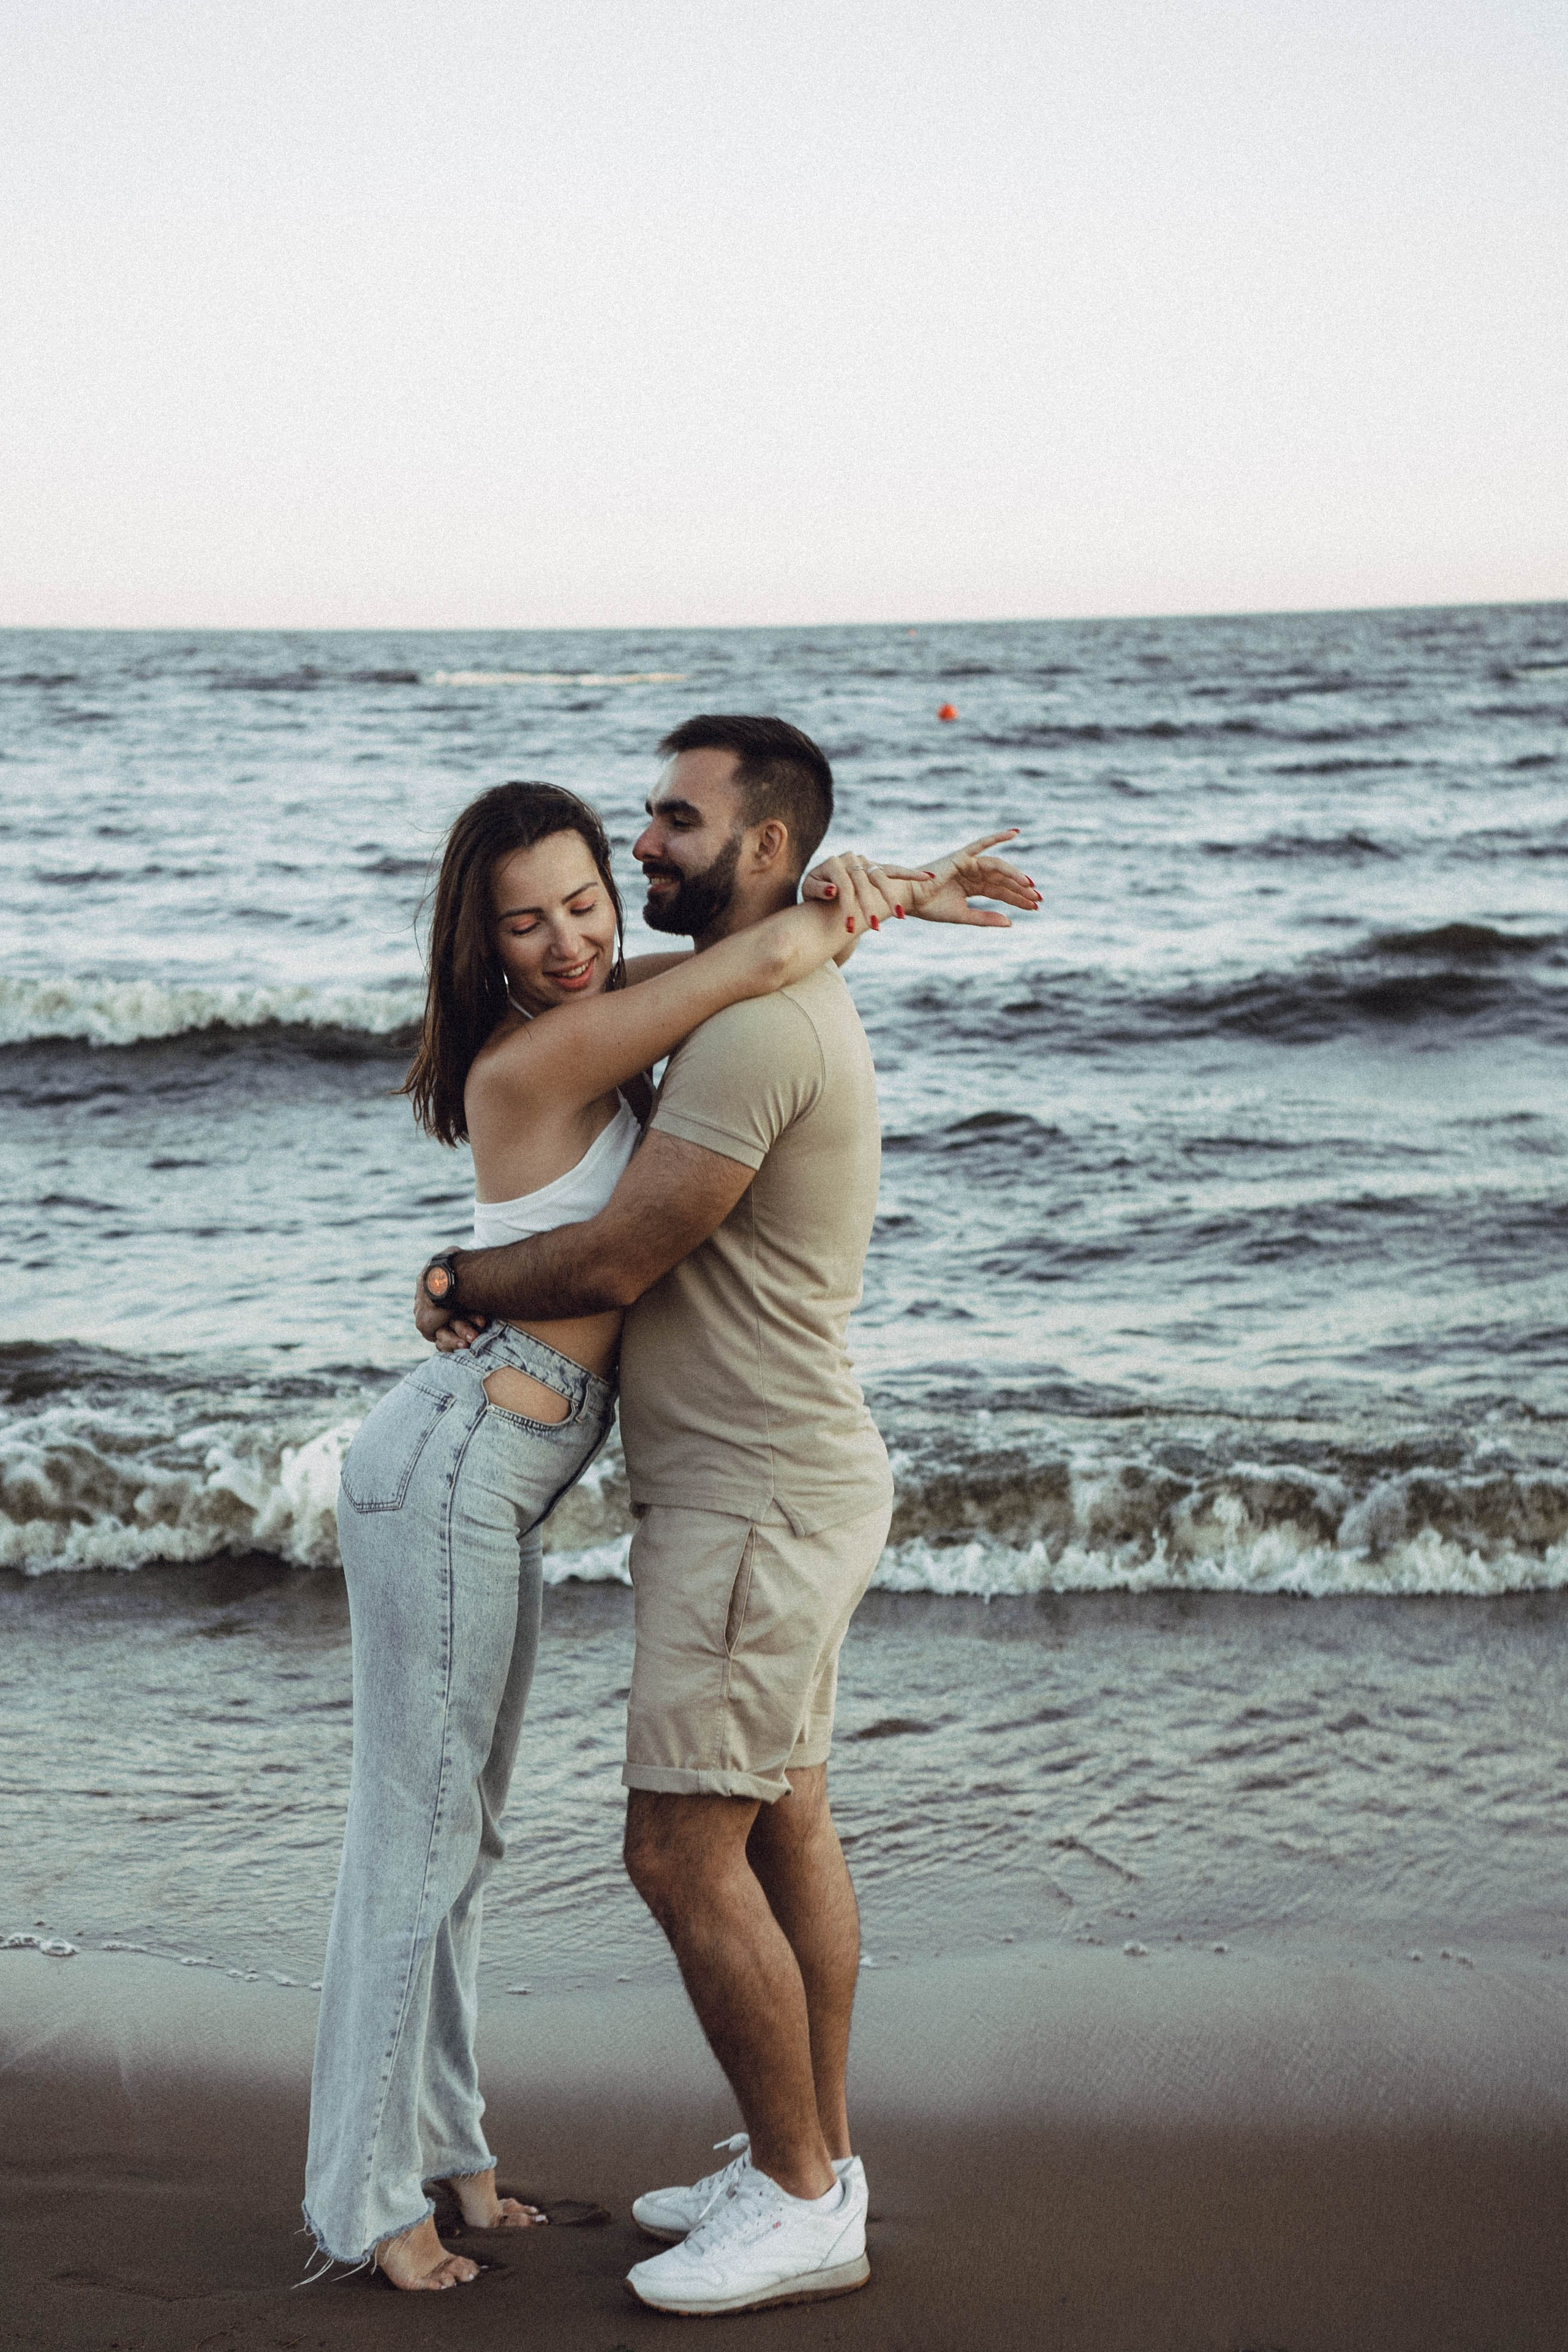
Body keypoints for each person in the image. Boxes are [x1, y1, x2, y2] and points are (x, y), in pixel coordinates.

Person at [415, 715, 1036, 2316]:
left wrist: (459, 1281)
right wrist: (851, 903)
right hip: (781, 1478)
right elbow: (593, 1008)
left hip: (757, 1494)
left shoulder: (760, 1029)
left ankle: (803, 2198)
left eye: (676, 823)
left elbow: (626, 1252)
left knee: (679, 1846)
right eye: (647, 816)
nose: (644, 848)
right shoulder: (752, 989)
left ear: (763, 848)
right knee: (781, 1823)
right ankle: (803, 2154)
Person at [303, 777, 914, 2290]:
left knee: (463, 1839)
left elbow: (732, 960)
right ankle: (368, 2200)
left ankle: (454, 2158)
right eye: (527, 922)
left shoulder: (602, 1006)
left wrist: (860, 897)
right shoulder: (536, 1059)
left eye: (587, 901)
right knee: (416, 1846)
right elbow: (757, 960)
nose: (571, 939)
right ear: (484, 947)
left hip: (492, 1472)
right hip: (454, 1468)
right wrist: (860, 899)